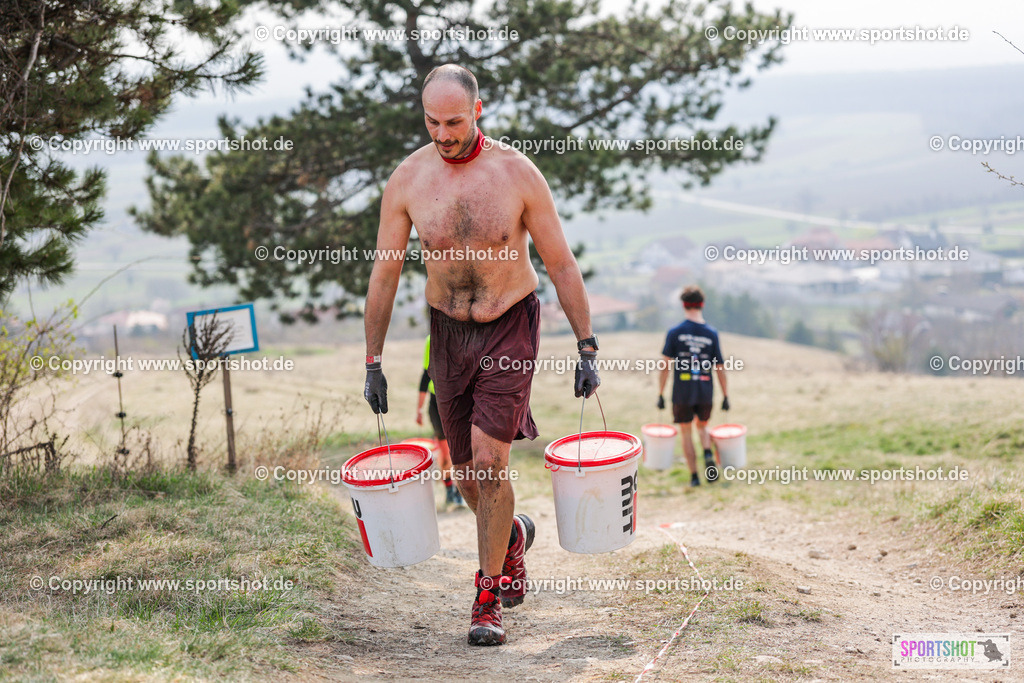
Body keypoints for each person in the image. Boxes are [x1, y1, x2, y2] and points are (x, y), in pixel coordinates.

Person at [362, 64, 600, 646]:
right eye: (432, 122)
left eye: (455, 121)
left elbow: (561, 262)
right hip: (447, 334)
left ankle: (486, 598)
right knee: (467, 476)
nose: (443, 134)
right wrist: (373, 361)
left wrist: (586, 345)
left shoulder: (517, 173)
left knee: (491, 466)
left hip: (509, 326)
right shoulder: (409, 179)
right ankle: (512, 537)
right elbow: (385, 275)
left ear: (479, 111)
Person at [657, 285, 729, 487]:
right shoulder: (711, 334)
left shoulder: (675, 332)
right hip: (705, 389)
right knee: (703, 426)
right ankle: (707, 453)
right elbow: (720, 368)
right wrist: (726, 395)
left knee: (686, 431)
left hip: (682, 391)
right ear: (702, 304)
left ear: (684, 305)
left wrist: (660, 393)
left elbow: (665, 366)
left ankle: (695, 478)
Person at [416, 334, 466, 508]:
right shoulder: (432, 339)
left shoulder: (467, 335)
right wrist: (419, 409)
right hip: (438, 403)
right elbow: (425, 375)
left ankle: (462, 492)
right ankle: (449, 490)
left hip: (461, 400)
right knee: (445, 453)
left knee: (463, 451)